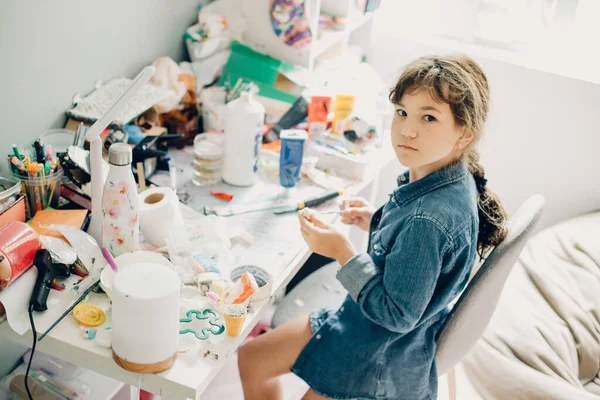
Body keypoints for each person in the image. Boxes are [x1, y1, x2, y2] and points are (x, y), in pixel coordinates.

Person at [238, 55, 508, 400]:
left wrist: (341, 251)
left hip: (378, 355)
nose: (407, 130)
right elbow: (415, 251)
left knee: (254, 359)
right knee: (252, 358)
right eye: (402, 112)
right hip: (361, 324)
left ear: (464, 134)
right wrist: (375, 219)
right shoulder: (445, 177)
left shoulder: (428, 221)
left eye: (429, 117)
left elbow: (394, 313)